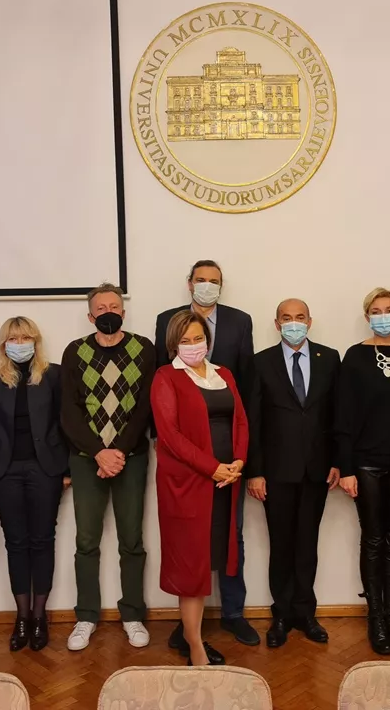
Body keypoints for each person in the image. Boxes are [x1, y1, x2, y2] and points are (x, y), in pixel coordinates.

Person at [155, 260, 259, 649]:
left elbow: (241, 419)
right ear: (174, 343)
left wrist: (238, 463)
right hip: (190, 480)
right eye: (186, 340)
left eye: (199, 338)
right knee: (191, 554)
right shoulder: (166, 376)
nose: (194, 344)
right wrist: (213, 467)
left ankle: (229, 616)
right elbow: (170, 434)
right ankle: (192, 638)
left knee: (230, 542)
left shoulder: (224, 374)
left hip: (228, 477)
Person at [60, 284, 156, 651]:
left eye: (114, 306)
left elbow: (145, 407)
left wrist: (118, 452)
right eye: (101, 308)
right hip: (87, 460)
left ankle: (132, 614)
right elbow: (69, 411)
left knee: (132, 540)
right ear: (90, 316)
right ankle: (86, 615)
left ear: (124, 312)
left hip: (131, 458)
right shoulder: (75, 351)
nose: (108, 312)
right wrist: (99, 452)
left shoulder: (143, 348)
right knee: (86, 541)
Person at [246, 299, 340, 648]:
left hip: (317, 469)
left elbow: (336, 414)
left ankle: (306, 614)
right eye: (286, 318)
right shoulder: (260, 362)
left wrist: (338, 461)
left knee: (307, 544)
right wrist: (255, 471)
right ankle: (282, 615)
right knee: (282, 544)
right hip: (276, 472)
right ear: (276, 323)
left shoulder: (329, 358)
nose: (294, 323)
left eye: (300, 317)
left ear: (309, 321)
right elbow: (253, 421)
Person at [335, 287, 390, 655]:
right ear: (367, 315)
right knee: (372, 539)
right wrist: (346, 468)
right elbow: (343, 416)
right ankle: (375, 618)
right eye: (376, 310)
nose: (383, 315)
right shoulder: (354, 356)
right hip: (366, 463)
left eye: (388, 309)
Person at [0, 317, 70, 652]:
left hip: (45, 469)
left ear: (36, 340)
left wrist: (66, 469)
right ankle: (22, 617)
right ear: (4, 344)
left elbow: (64, 422)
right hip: (5, 472)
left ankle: (40, 616)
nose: (20, 343)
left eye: (26, 337)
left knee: (43, 540)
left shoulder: (54, 375)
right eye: (14, 338)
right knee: (16, 543)